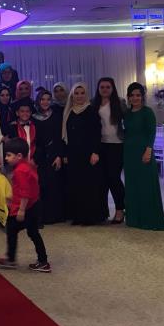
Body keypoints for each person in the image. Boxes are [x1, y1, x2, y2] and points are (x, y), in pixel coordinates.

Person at [0, 138, 50, 273]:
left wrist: (21, 210)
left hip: (27, 208)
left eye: (8, 155)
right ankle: (40, 260)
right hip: (33, 205)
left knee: (15, 230)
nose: (6, 158)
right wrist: (12, 197)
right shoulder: (27, 166)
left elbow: (25, 192)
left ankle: (14, 259)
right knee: (31, 233)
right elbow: (26, 187)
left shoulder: (20, 170)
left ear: (19, 156)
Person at [123, 83, 164, 231]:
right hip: (129, 153)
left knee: (146, 186)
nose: (135, 98)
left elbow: (151, 133)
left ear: (142, 97)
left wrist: (148, 150)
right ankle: (134, 219)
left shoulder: (147, 112)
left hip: (143, 152)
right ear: (128, 97)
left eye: (138, 95)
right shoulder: (127, 114)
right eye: (132, 95)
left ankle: (149, 219)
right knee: (132, 186)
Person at [62, 82, 106, 225]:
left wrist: (95, 152)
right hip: (73, 153)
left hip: (88, 153)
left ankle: (90, 217)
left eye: (82, 93)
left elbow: (96, 133)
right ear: (72, 95)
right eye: (76, 93)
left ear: (86, 95)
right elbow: (66, 135)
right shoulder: (69, 112)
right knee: (75, 185)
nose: (79, 96)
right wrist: (65, 154)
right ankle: (78, 216)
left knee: (89, 185)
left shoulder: (91, 110)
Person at [92, 77, 126, 224]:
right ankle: (102, 212)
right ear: (98, 89)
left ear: (112, 88)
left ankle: (120, 209)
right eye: (102, 87)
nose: (105, 89)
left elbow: (129, 120)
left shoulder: (120, 102)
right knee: (102, 180)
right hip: (100, 145)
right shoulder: (93, 103)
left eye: (108, 87)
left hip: (117, 145)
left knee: (114, 178)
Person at [32, 90, 64, 224]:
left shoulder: (56, 115)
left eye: (48, 99)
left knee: (54, 185)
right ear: (38, 101)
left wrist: (59, 155)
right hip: (39, 155)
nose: (45, 102)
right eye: (42, 99)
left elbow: (59, 137)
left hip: (53, 154)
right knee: (41, 185)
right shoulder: (33, 117)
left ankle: (54, 216)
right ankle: (43, 216)